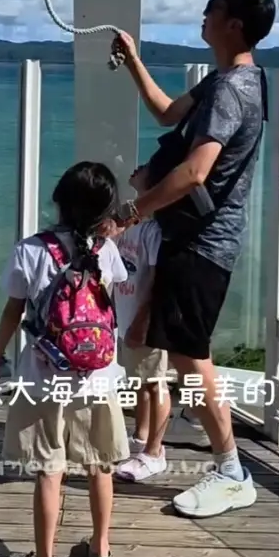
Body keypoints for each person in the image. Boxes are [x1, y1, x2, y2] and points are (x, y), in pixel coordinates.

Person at [108, 0, 275, 519]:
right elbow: (165, 114)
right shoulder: (227, 80)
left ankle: (231, 469)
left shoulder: (231, 89)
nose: (203, 14)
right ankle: (226, 466)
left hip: (203, 242)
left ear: (234, 25)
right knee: (185, 355)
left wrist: (134, 210)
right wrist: (134, 61)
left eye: (212, 8)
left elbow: (195, 171)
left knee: (191, 357)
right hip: (196, 239)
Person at [0, 161, 130, 557]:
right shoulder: (106, 250)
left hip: (44, 379)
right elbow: (115, 295)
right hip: (99, 377)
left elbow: (13, 311)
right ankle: (101, 552)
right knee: (99, 465)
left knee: (50, 472)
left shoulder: (31, 250)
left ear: (58, 200)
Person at [114, 164, 171, 482]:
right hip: (127, 317)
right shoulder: (136, 225)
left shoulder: (155, 230)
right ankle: (141, 438)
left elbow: (158, 279)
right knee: (141, 382)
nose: (138, 167)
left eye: (148, 167)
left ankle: (154, 451)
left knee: (154, 382)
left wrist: (142, 320)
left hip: (142, 319)